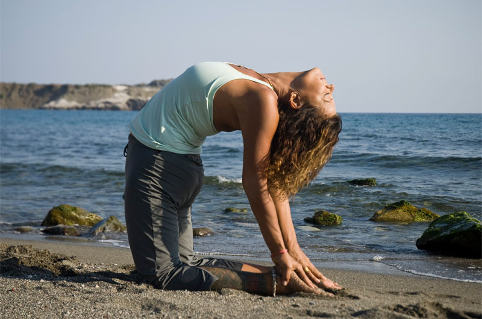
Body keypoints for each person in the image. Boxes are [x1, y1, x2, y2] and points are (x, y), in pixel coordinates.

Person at [124, 62, 342, 296]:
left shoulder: (262, 99)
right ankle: (285, 276)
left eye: (327, 97)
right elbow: (271, 185)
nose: (330, 87)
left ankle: (282, 282)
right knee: (183, 265)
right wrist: (290, 252)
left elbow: (257, 183)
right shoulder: (260, 83)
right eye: (329, 94)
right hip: (175, 165)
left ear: (296, 101)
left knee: (163, 273)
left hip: (159, 166)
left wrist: (284, 252)